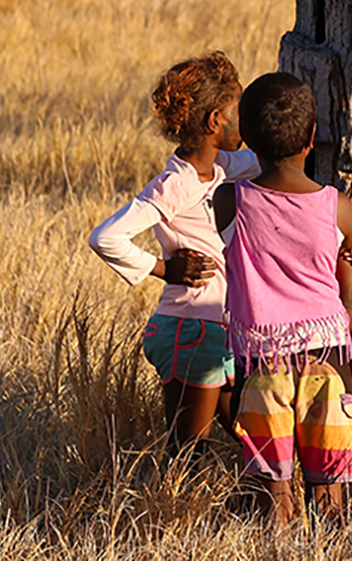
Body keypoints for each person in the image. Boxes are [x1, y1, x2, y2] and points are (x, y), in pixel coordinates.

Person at [87, 51, 260, 455]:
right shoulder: (173, 185)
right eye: (240, 108)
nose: (245, 118)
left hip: (218, 328)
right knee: (187, 449)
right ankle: (172, 515)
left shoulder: (219, 167)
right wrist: (165, 269)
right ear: (216, 121)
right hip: (190, 326)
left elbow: (259, 161)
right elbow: (106, 237)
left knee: (250, 439)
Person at [223, 71, 352, 524]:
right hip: (327, 359)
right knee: (330, 488)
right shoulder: (337, 207)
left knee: (275, 491)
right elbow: (347, 298)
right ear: (313, 136)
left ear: (245, 137)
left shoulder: (230, 203)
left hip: (261, 362)